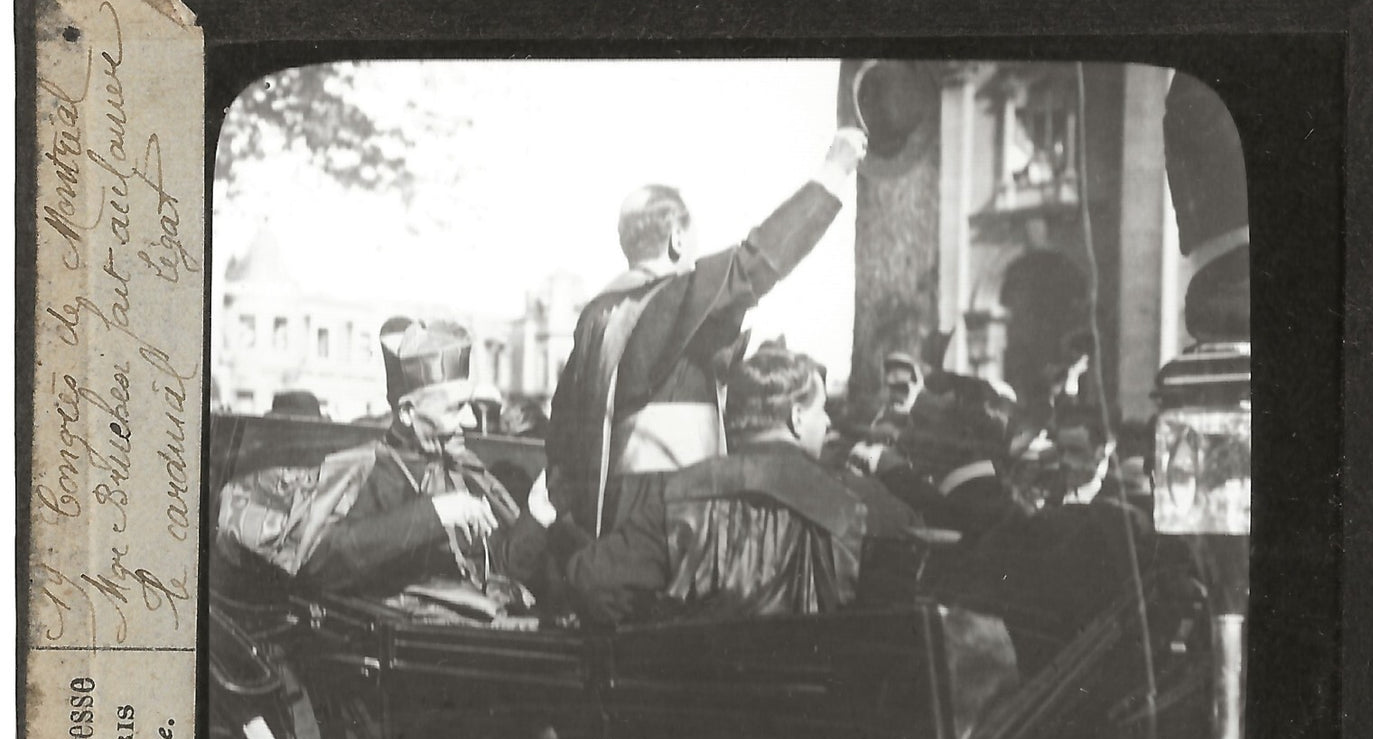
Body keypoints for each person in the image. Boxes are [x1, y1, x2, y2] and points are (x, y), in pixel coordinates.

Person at [546, 127, 869, 542]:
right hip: (669, 519)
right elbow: (760, 259)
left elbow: (560, 435)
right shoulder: (672, 299)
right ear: (678, 238)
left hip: (599, 522)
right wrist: (834, 169)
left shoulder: (596, 318)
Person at [556, 344, 917, 625]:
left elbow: (589, 580)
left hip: (698, 707)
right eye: (821, 409)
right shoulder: (856, 501)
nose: (826, 422)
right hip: (818, 709)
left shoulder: (678, 495)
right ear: (795, 417)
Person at [218, 316, 538, 597]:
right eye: (455, 407)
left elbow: (497, 566)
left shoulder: (462, 469)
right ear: (409, 413)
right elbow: (319, 562)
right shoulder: (369, 470)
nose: (470, 420)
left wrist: (539, 515)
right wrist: (435, 513)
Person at [852, 373, 1030, 547]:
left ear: (962, 435)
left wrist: (895, 474)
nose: (908, 436)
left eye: (922, 424)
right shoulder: (998, 495)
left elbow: (939, 512)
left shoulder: (963, 507)